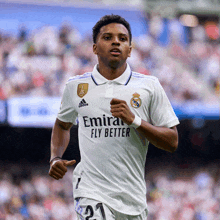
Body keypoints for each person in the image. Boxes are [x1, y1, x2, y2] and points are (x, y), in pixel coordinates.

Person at [49, 14, 179, 220]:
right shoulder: (76, 87)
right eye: (108, 37)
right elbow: (62, 125)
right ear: (94, 48)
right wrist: (55, 156)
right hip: (90, 192)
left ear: (130, 49)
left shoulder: (149, 86)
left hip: (133, 199)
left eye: (122, 38)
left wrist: (134, 120)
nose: (116, 41)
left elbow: (172, 141)